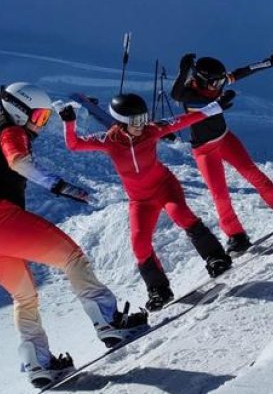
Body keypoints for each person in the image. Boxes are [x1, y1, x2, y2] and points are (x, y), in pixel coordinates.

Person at [0, 82, 149, 387]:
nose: (39, 125)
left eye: (45, 119)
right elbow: (18, 161)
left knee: (24, 297)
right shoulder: (12, 131)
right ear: (17, 111)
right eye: (38, 117)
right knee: (71, 258)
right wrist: (56, 185)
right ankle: (110, 322)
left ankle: (39, 365)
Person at [61, 93, 233, 310]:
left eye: (143, 118)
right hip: (140, 200)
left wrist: (215, 107)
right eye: (135, 122)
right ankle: (158, 290)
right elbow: (74, 145)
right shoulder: (110, 141)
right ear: (121, 123)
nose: (141, 125)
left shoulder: (151, 131)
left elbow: (182, 120)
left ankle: (216, 257)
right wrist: (69, 122)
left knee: (182, 215)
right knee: (139, 244)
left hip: (164, 187)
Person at [171, 48, 273, 254]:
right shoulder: (189, 94)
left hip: (225, 139)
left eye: (221, 82)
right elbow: (176, 94)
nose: (219, 86)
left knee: (250, 171)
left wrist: (269, 62)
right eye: (215, 83)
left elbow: (241, 72)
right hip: (204, 151)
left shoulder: (214, 85)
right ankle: (236, 235)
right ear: (201, 80)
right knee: (219, 193)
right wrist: (184, 70)